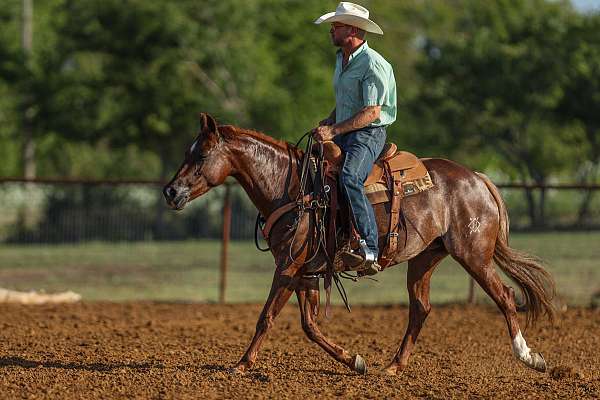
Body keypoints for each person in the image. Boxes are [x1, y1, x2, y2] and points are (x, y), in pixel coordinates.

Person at [312, 2, 397, 275]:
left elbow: (372, 111)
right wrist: (330, 118)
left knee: (350, 177)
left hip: (368, 134)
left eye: (335, 26)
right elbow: (349, 102)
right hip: (346, 129)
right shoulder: (342, 59)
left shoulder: (373, 64)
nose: (331, 30)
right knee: (311, 172)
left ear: (352, 29)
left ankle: (370, 248)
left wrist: (334, 131)